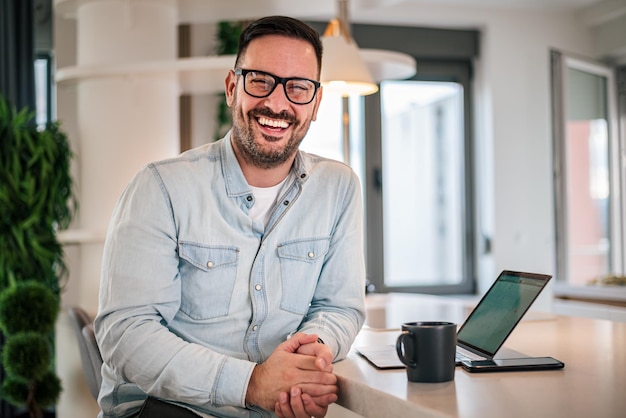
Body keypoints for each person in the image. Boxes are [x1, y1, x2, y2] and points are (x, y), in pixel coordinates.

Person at [94, 15, 366, 418]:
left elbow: (340, 306)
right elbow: (127, 334)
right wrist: (253, 383)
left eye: (298, 87)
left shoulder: (338, 188)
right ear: (231, 87)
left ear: (316, 102)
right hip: (165, 409)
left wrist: (310, 355)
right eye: (260, 80)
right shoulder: (161, 187)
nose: (277, 103)